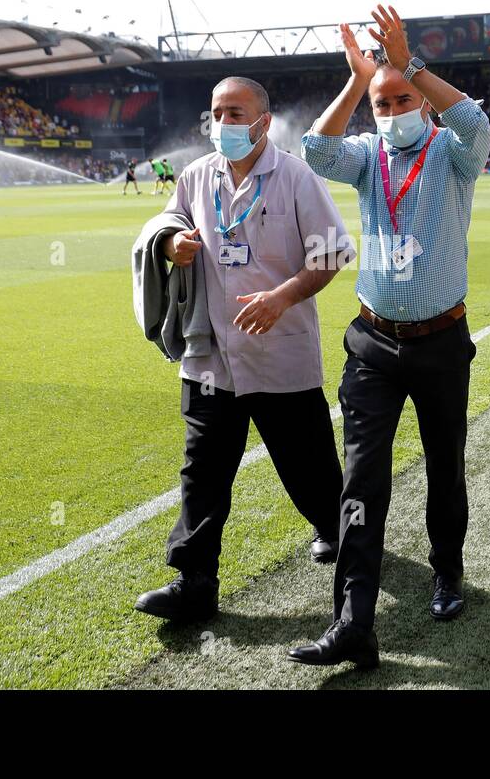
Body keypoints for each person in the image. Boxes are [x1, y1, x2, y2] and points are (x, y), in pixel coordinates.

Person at [291, 5, 490, 669]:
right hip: (373, 342)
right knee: (361, 481)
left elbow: (475, 121)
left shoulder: (450, 154)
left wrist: (410, 67)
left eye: (401, 98)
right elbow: (315, 150)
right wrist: (359, 81)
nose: (393, 108)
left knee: (444, 466)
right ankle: (353, 621)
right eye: (385, 102)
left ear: (421, 102)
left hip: (440, 343)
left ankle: (447, 571)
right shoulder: (365, 155)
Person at [131, 76, 354, 622]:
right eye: (216, 113)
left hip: (280, 352)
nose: (223, 124)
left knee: (310, 469)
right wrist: (171, 241)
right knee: (203, 470)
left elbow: (331, 253)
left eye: (234, 113)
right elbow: (169, 220)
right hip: (210, 355)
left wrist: (281, 298)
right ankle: (194, 581)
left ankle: (336, 531)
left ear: (262, 120)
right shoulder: (194, 176)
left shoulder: (296, 176)